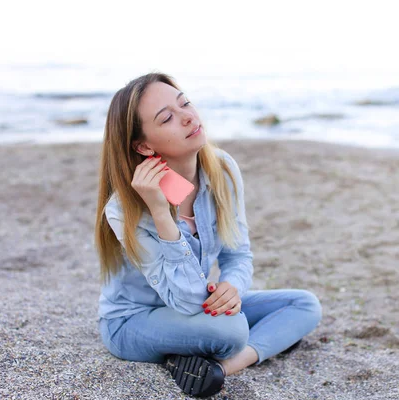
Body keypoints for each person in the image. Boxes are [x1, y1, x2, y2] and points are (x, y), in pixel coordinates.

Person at [93, 72, 322, 398]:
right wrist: (161, 213)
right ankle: (209, 348)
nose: (188, 116)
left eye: (185, 102)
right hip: (133, 321)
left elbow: (237, 255)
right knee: (230, 329)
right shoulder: (124, 209)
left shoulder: (222, 168)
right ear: (143, 145)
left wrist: (232, 287)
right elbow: (186, 299)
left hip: (198, 306)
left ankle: (219, 369)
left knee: (304, 304)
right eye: (167, 117)